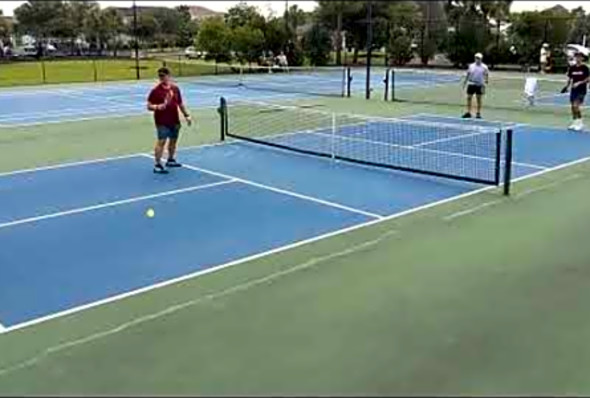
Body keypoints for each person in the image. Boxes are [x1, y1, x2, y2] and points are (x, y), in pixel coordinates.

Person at [147, 67, 192, 174]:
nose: (161, 78)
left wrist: (187, 115)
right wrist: (157, 107)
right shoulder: (155, 91)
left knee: (173, 141)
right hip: (162, 121)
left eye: (163, 75)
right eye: (160, 76)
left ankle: (170, 160)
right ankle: (157, 165)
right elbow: (149, 106)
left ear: (168, 76)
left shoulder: (175, 89)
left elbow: (180, 104)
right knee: (161, 142)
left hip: (174, 120)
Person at [563, 51, 590, 131]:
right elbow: (569, 78)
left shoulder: (585, 68)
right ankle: (575, 122)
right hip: (573, 90)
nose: (578, 58)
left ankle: (580, 123)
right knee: (572, 107)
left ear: (582, 58)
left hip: (581, 90)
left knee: (576, 106)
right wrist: (566, 86)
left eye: (579, 57)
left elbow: (588, 79)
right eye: (576, 57)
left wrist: (579, 83)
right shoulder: (572, 68)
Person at [462, 52, 489, 119]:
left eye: (479, 58)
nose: (477, 59)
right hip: (471, 84)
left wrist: (485, 83)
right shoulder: (471, 66)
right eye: (476, 58)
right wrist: (465, 82)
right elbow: (468, 74)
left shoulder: (484, 67)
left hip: (479, 84)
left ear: (481, 59)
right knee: (469, 98)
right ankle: (468, 112)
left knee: (479, 99)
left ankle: (478, 113)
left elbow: (486, 75)